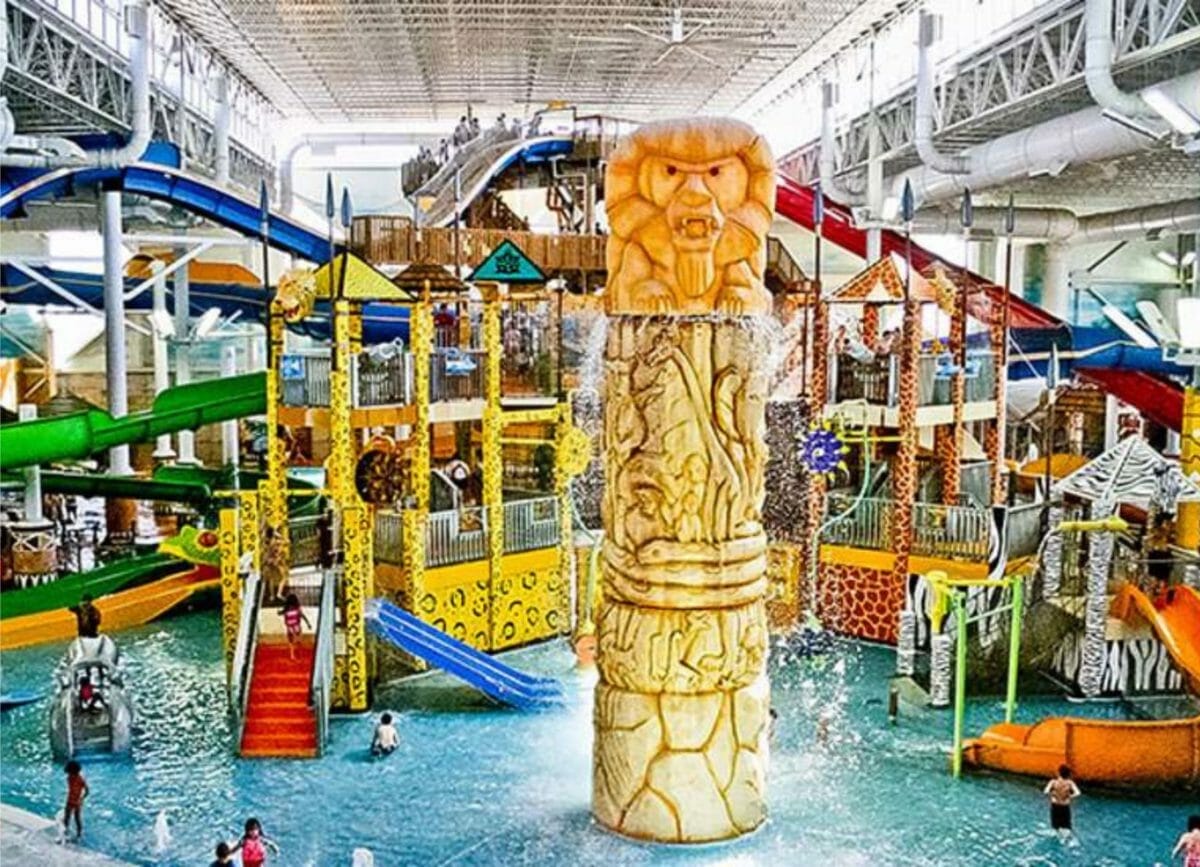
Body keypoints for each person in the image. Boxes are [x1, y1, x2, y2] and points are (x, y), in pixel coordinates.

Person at [1043, 764, 1081, 840]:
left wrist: (1053, 795)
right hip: (1065, 806)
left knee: (1055, 828)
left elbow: (1046, 791)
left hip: (1055, 806)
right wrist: (1070, 796)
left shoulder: (1053, 782)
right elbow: (1078, 793)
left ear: (1058, 773)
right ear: (1068, 774)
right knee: (1066, 827)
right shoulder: (1070, 783)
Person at [280, 593, 311, 660]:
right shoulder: (297, 607)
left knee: (291, 642)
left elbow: (282, 615)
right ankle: (299, 652)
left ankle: (292, 655)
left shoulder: (286, 608)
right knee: (298, 640)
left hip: (289, 626)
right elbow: (302, 616)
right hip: (296, 625)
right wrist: (308, 623)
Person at [62, 760, 88, 840]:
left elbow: (86, 790)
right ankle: (79, 834)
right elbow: (87, 791)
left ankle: (65, 832)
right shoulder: (80, 779)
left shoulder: (70, 778)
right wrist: (82, 799)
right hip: (77, 802)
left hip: (71, 801)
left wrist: (81, 799)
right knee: (77, 818)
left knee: (67, 817)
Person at [262, 526, 288, 602]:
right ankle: (279, 593)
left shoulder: (266, 541)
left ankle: (272, 596)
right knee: (283, 577)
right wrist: (278, 535)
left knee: (271, 578)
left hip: (269, 560)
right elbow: (285, 541)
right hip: (276, 560)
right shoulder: (276, 542)